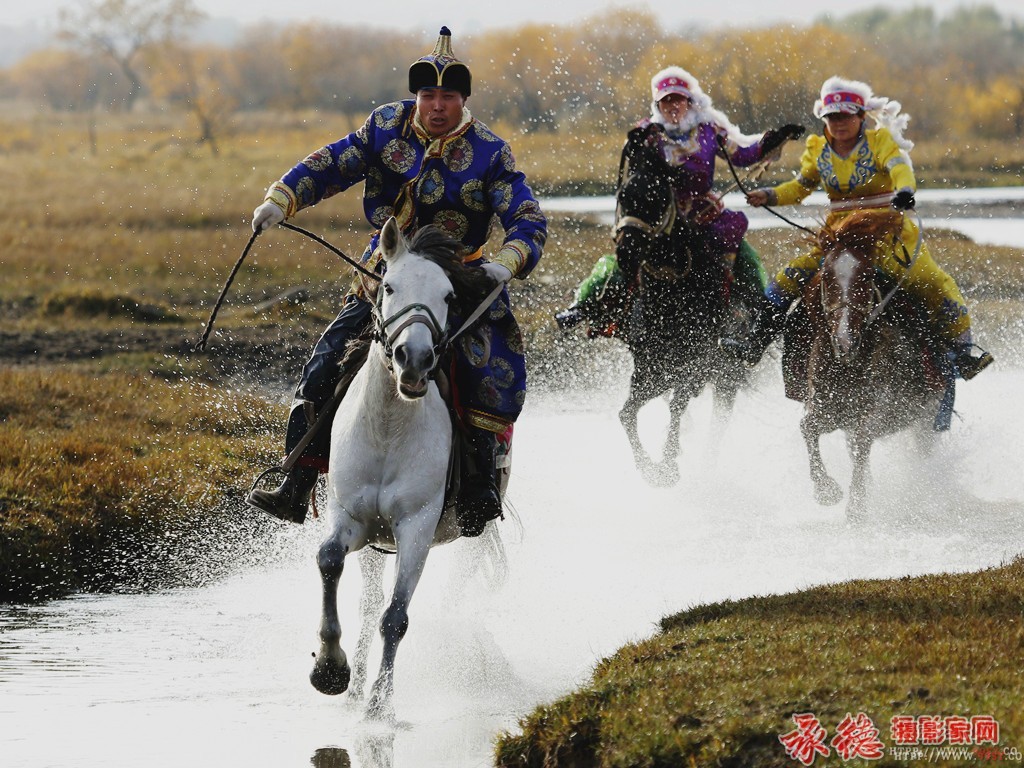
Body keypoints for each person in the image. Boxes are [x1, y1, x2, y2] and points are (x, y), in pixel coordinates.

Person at [245, 27, 547, 536]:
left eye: (447, 96)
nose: (435, 106)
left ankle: (478, 488)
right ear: (417, 96)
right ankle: (296, 481)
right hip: (385, 278)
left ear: (463, 99)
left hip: (460, 285)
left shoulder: (491, 152)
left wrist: (507, 261)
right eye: (427, 95)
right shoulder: (384, 127)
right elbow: (332, 163)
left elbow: (527, 216)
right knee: (324, 365)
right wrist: (281, 200)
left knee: (488, 378)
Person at [740, 76, 993, 381]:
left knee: (931, 281)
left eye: (846, 116)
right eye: (832, 117)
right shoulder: (817, 148)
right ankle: (753, 344)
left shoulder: (880, 141)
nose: (839, 123)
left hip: (885, 235)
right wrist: (768, 195)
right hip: (837, 239)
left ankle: (961, 354)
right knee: (786, 279)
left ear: (861, 116)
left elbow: (900, 168)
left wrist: (904, 190)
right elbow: (801, 186)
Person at [554, 65, 804, 332]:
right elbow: (635, 173)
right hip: (659, 216)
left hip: (704, 212)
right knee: (623, 257)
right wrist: (637, 148)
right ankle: (584, 306)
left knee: (745, 258)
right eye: (666, 101)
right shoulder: (647, 133)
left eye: (678, 99)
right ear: (658, 105)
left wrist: (771, 141)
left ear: (689, 101)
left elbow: (742, 155)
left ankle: (754, 318)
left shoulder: (710, 130)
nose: (672, 106)